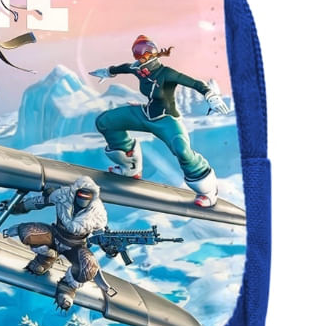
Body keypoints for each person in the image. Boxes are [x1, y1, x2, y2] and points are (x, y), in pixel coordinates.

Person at [91, 34, 229, 208]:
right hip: (146, 114)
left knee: (182, 151)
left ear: (152, 54)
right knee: (105, 121)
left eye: (143, 54)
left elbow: (195, 83)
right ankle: (130, 164)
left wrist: (210, 96)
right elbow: (124, 68)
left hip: (166, 120)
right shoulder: (138, 69)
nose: (139, 59)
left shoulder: (166, 73)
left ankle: (208, 189)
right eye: (136, 54)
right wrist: (108, 72)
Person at [8, 177, 113, 311]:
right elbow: (40, 202)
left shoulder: (98, 212)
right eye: (81, 195)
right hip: (55, 235)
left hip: (76, 246)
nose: (83, 199)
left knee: (89, 266)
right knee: (27, 232)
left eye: (87, 196)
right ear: (75, 192)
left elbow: (100, 234)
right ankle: (46, 257)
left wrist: (108, 247)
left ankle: (68, 287)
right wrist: (19, 207)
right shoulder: (62, 195)